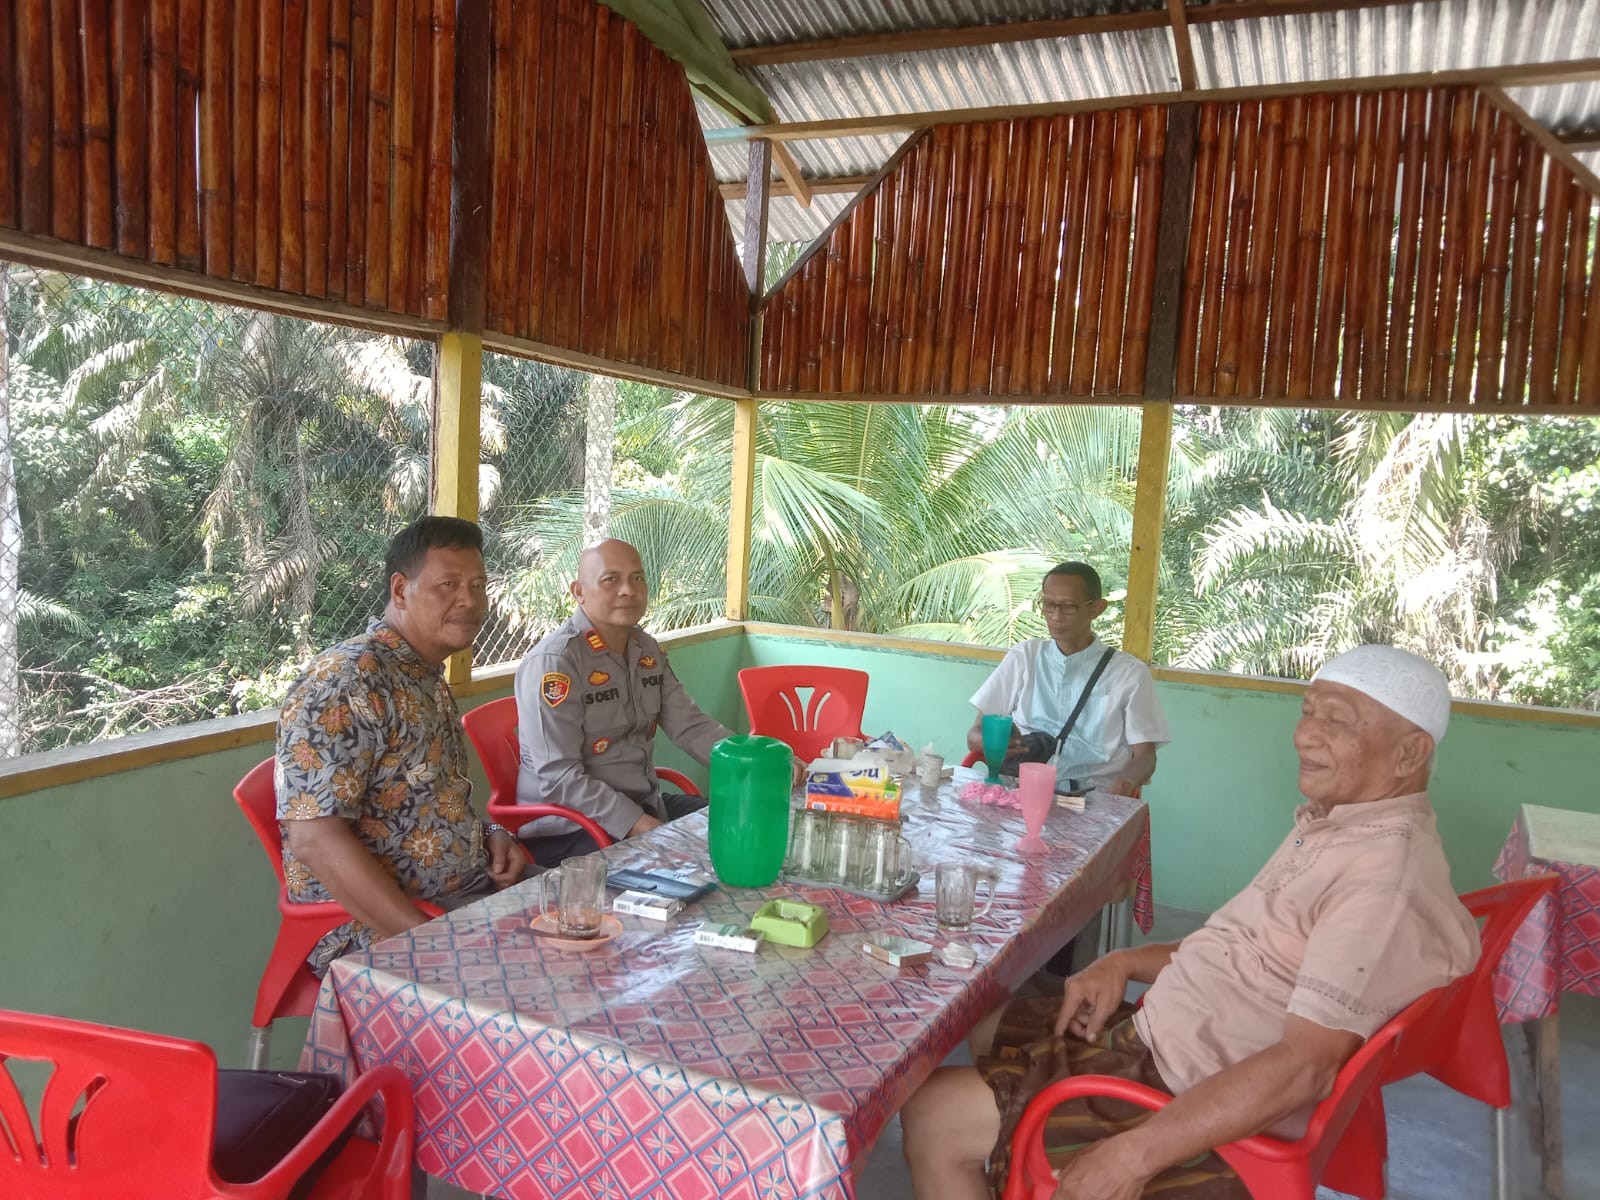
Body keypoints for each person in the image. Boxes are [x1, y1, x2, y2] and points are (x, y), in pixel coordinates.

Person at [901, 644, 1481, 1200]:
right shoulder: (1344, 825)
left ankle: (1009, 1144)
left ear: (1408, 753)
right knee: (986, 1022)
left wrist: (1136, 1155)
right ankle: (1020, 1155)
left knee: (931, 1113)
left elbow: (1304, 1067)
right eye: (1307, 712)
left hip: (1180, 1090)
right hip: (1169, 1037)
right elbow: (1245, 948)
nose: (1306, 735)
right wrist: (1124, 960)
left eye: (1337, 721)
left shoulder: (1383, 881)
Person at [275, 516, 527, 974]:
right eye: (448, 584)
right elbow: (312, 838)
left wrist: (492, 834)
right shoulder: (348, 679)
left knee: (596, 917)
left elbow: (427, 800)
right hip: (371, 926)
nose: (469, 600)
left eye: (477, 584)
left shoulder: (421, 671)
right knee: (552, 975)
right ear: (399, 591)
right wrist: (433, 942)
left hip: (465, 890)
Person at [512, 538, 734, 866]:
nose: (628, 590)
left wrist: (754, 763)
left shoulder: (645, 650)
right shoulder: (557, 663)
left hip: (642, 805)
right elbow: (559, 776)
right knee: (683, 865)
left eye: (638, 578)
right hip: (570, 827)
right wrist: (643, 826)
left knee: (736, 824)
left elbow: (691, 727)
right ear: (579, 591)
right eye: (610, 579)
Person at [968, 562, 1169, 798]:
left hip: (1091, 798)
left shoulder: (1129, 673)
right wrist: (989, 744)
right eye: (1048, 605)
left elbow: (1145, 755)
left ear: (1096, 608)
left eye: (1069, 607)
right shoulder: (1025, 656)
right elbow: (975, 733)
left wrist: (1125, 782)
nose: (1056, 616)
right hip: (1018, 791)